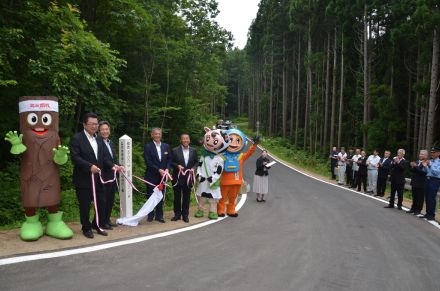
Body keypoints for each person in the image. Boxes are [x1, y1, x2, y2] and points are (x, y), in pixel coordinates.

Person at [70, 113, 122, 239]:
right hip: (83, 179)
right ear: (84, 124)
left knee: (101, 202)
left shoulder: (99, 139)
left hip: (99, 178)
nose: (94, 126)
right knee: (85, 205)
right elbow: (75, 157)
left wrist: (113, 166)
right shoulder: (77, 138)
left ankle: (97, 224)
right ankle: (86, 228)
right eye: (91, 124)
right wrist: (89, 167)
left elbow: (103, 157)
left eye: (96, 124)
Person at [144, 128, 172, 223]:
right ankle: (150, 215)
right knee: (150, 195)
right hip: (151, 175)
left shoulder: (166, 146)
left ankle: (159, 216)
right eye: (155, 134)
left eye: (159, 134)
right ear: (152, 135)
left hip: (162, 176)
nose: (157, 135)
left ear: (161, 135)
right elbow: (148, 162)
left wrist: (167, 169)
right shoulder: (148, 146)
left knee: (160, 195)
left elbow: (169, 160)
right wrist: (158, 170)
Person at [171, 134, 198, 223]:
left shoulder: (194, 150)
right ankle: (177, 214)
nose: (185, 140)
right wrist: (177, 166)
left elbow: (196, 162)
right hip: (177, 177)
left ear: (189, 140)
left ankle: (185, 215)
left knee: (186, 197)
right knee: (177, 197)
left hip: (188, 178)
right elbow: (170, 162)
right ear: (181, 140)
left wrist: (193, 169)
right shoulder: (175, 150)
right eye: (183, 139)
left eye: (187, 139)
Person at [98, 121, 120, 229]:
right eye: (102, 129)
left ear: (109, 130)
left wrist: (119, 166)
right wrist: (112, 165)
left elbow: (113, 158)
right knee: (104, 200)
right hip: (104, 176)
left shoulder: (110, 143)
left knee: (110, 199)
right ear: (99, 131)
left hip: (112, 175)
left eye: (107, 129)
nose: (105, 131)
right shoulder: (98, 142)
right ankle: (102, 222)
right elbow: (102, 158)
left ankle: (107, 219)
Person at [421, 146, 440, 221]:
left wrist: (429, 165)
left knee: (431, 198)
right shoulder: (430, 161)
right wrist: (425, 166)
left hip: (434, 180)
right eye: (431, 152)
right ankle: (427, 213)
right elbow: (426, 172)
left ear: (438, 153)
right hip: (427, 179)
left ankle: (432, 215)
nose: (432, 154)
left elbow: (436, 172)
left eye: (434, 152)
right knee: (427, 197)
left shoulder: (439, 162)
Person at [407, 150, 428, 215]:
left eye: (422, 154)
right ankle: (413, 208)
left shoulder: (426, 162)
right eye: (420, 154)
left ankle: (418, 210)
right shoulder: (417, 161)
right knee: (414, 196)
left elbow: (424, 172)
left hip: (421, 183)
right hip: (414, 181)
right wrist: (412, 166)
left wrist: (415, 167)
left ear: (426, 156)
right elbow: (413, 171)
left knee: (420, 197)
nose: (421, 155)